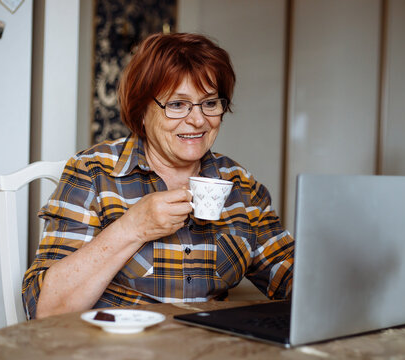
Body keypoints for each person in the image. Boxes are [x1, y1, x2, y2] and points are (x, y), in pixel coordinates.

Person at [23, 32, 294, 319]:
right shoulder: (93, 172)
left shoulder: (241, 186)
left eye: (210, 103)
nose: (198, 120)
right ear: (141, 111)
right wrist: (132, 228)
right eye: (177, 105)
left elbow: (290, 276)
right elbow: (43, 308)